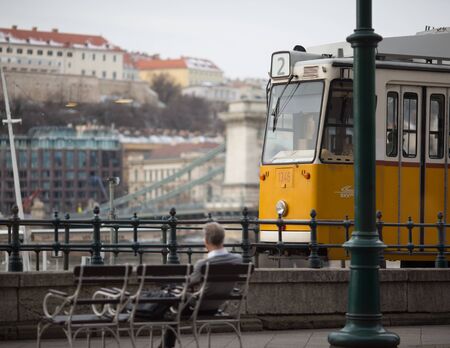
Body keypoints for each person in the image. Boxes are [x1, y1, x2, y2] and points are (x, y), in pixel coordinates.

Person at [159, 222, 243, 348]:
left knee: (172, 304)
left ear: (206, 241)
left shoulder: (203, 264)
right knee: (175, 310)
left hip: (200, 306)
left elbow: (189, 283)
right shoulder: (238, 259)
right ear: (222, 239)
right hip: (219, 305)